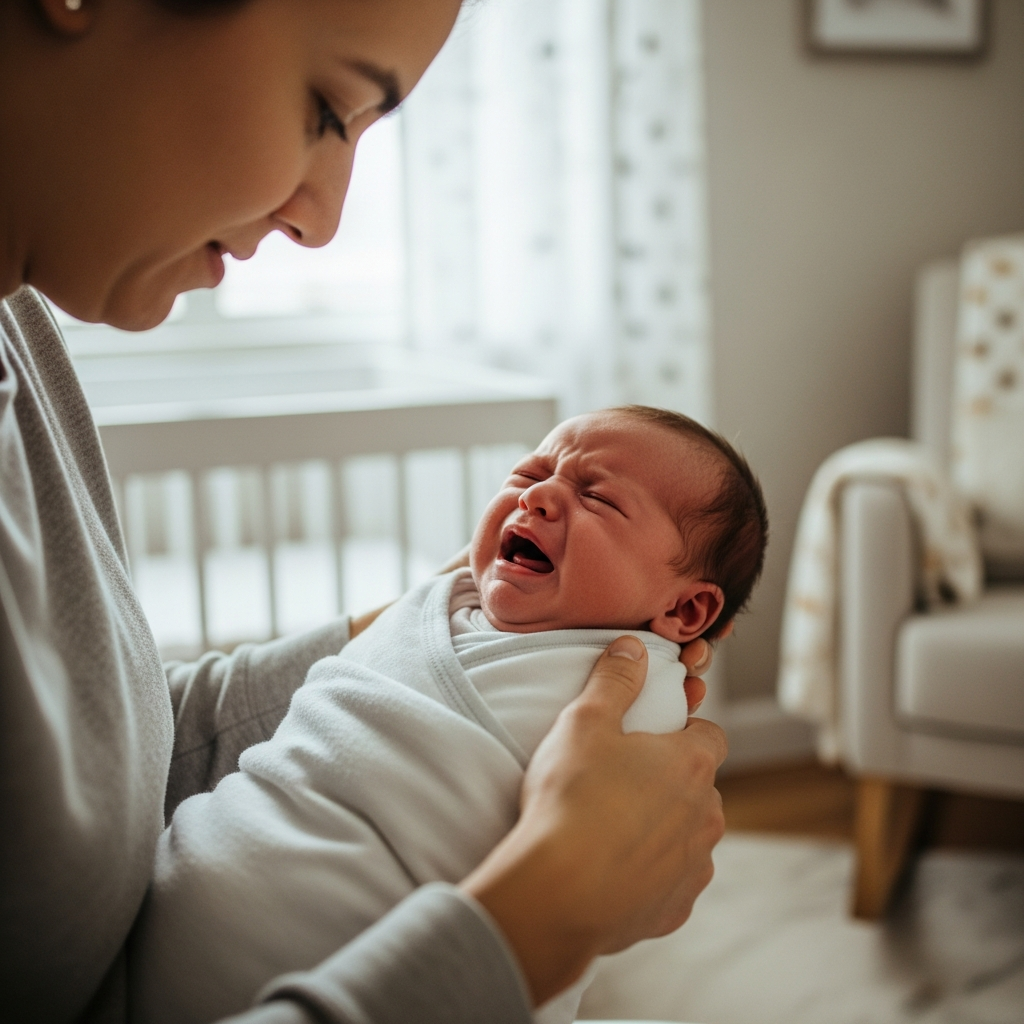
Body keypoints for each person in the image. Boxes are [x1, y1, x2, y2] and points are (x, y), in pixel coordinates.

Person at [0, 3, 730, 1024]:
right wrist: (545, 910)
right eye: (328, 109)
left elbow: (101, 752)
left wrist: (417, 633)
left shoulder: (20, 330)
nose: (322, 218)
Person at [130, 406, 766, 1024]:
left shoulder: (631, 686)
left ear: (684, 614)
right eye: (527, 473)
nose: (538, 496)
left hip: (349, 962)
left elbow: (635, 830)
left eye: (599, 498)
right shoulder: (446, 599)